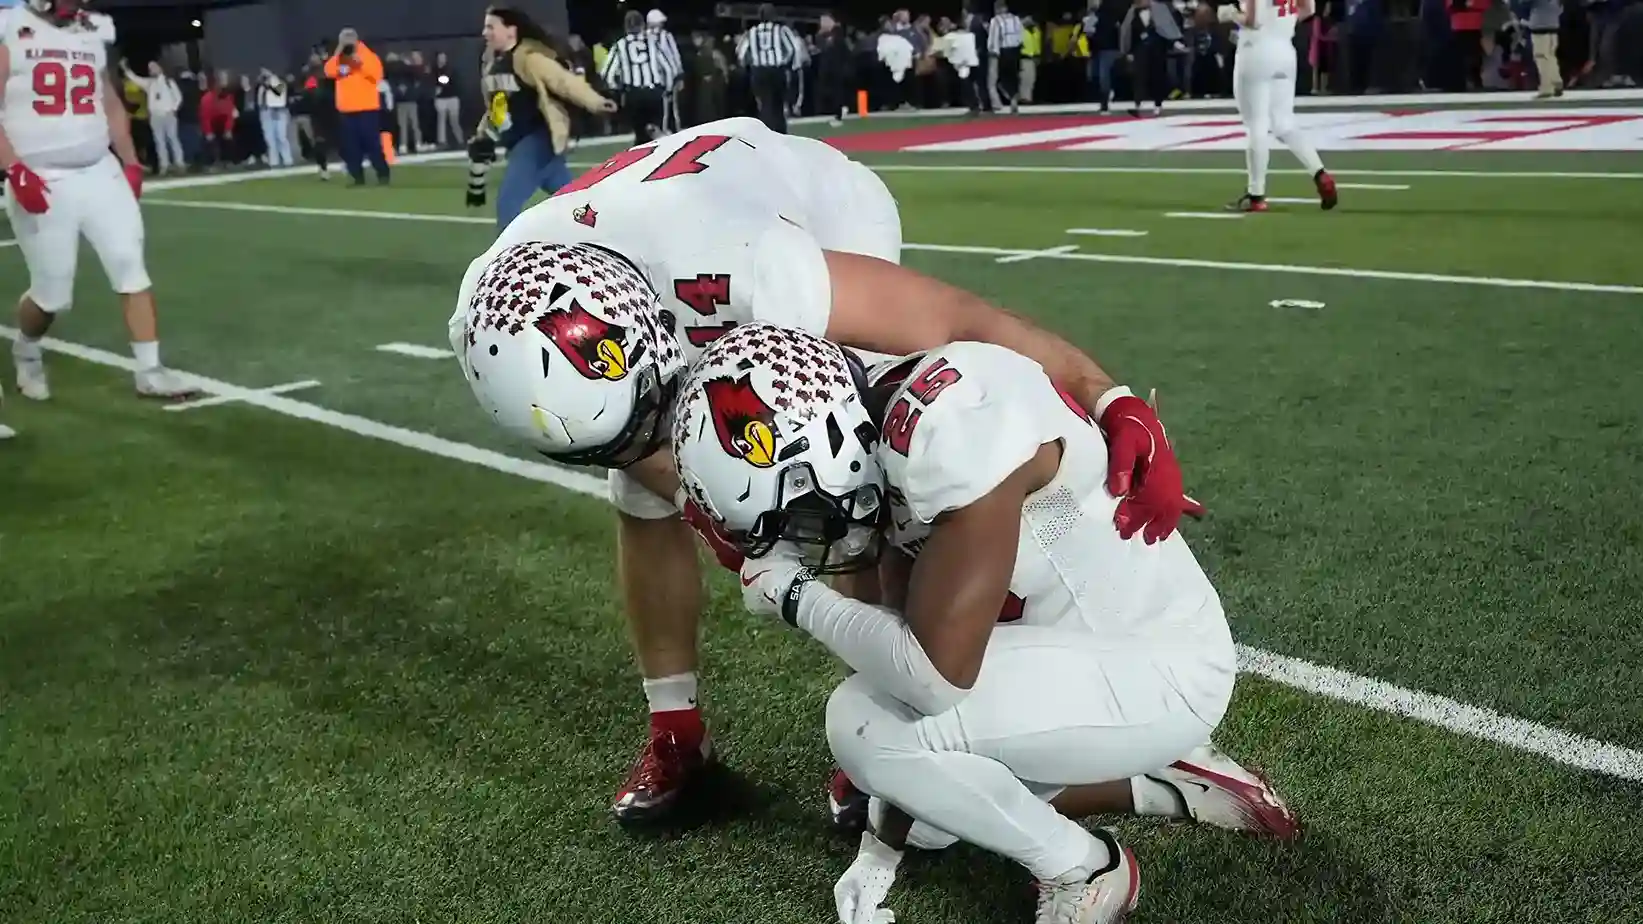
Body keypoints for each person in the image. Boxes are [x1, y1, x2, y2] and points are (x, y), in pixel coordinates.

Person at [445, 115, 1205, 829]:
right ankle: (677, 731)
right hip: (659, 265)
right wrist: (691, 497)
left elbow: (960, 321)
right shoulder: (489, 320)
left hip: (812, 209)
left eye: (645, 412)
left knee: (853, 467)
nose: (645, 440)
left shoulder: (748, 267)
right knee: (635, 497)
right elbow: (623, 443)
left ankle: (925, 702)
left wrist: (1112, 399)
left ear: (650, 332)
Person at [672, 325, 1296, 924]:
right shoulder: (873, 421)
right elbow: (905, 657)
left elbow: (933, 680)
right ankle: (1160, 781)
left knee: (860, 724)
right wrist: (881, 847)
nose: (807, 537)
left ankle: (1090, 866)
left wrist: (795, 596)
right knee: (929, 815)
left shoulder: (948, 431)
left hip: (1158, 664)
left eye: (800, 516)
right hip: (1078, 656)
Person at [0, 0, 194, 401]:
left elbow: (107, 101)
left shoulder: (92, 29)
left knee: (130, 265)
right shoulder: (9, 27)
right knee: (53, 293)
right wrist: (15, 170)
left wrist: (130, 160)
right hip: (41, 173)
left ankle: (150, 370)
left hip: (97, 168)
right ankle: (27, 348)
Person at [469, 5, 616, 231]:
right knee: (576, 203)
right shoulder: (492, 65)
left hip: (537, 141)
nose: (484, 32)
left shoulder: (528, 58)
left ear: (511, 30)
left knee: (507, 204)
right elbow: (497, 107)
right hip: (519, 143)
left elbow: (562, 81)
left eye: (491, 26)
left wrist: (594, 101)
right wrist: (483, 134)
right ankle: (609, 233)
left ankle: (509, 263)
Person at [1225, 0, 1337, 212]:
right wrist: (1282, 23)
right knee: (1284, 124)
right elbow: (1309, 9)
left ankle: (1256, 195)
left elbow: (1254, 21)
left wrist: (1230, 14)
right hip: (1285, 51)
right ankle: (1319, 172)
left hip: (1256, 51)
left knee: (1256, 125)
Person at [324, 28, 390, 186]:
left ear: (356, 40)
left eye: (349, 40)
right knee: (351, 147)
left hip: (367, 108)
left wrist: (360, 64)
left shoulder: (368, 56)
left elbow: (377, 75)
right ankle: (357, 177)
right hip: (347, 110)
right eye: (343, 40)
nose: (347, 43)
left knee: (372, 144)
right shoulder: (338, 58)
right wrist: (338, 51)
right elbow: (328, 71)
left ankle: (382, 174)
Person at [125, 60, 184, 174]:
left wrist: (172, 109)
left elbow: (178, 97)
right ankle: (164, 165)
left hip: (168, 114)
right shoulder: (150, 84)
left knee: (172, 139)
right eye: (150, 68)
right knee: (159, 141)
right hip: (155, 116)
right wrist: (127, 70)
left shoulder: (168, 82)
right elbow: (136, 79)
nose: (151, 70)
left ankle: (179, 163)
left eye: (153, 67)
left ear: (160, 68)